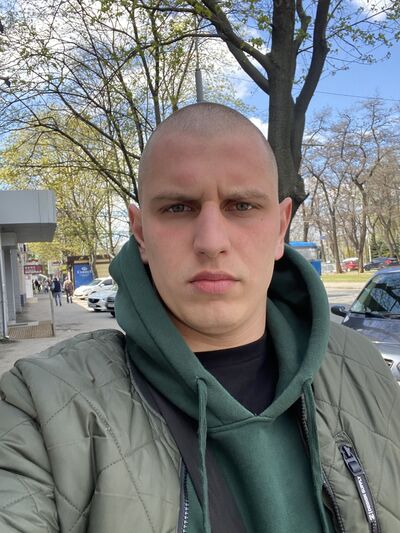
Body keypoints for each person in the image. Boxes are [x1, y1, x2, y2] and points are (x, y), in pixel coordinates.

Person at [0, 103, 399, 533]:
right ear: (140, 232)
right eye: (178, 208)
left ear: (281, 227)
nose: (211, 241)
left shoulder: (364, 369)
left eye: (241, 205)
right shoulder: (41, 408)